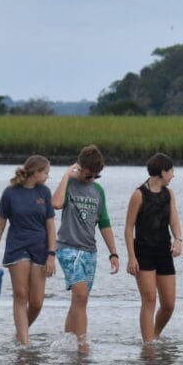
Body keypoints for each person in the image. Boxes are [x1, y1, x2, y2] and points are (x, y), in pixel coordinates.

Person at [52, 145, 121, 351]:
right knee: (81, 295)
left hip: (90, 250)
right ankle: (83, 345)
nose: (92, 180)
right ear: (79, 168)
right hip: (67, 247)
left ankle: (69, 342)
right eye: (88, 175)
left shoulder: (98, 191)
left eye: (96, 177)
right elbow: (55, 204)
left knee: (79, 300)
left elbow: (104, 222)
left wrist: (113, 252)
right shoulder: (69, 184)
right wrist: (66, 174)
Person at [0, 155, 57, 345]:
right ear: (36, 173)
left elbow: (50, 226)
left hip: (40, 249)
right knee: (21, 295)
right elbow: (0, 225)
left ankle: (20, 333)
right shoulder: (10, 193)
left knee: (36, 302)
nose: (48, 176)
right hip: (17, 248)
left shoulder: (45, 192)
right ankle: (25, 345)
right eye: (46, 173)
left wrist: (52, 254)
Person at [125, 152, 183, 343]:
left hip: (163, 250)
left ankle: (155, 334)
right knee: (149, 299)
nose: (173, 175)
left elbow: (173, 219)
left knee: (169, 304)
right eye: (171, 171)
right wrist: (131, 257)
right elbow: (128, 228)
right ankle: (148, 344)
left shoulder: (169, 194)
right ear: (162, 172)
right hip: (143, 251)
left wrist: (178, 240)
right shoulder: (139, 194)